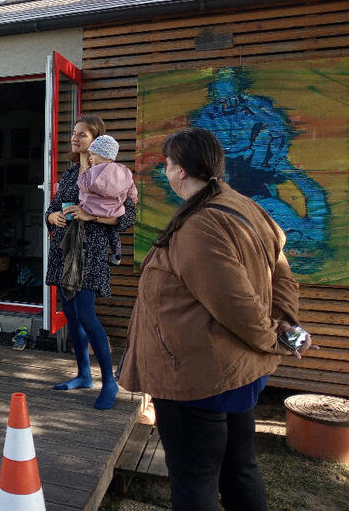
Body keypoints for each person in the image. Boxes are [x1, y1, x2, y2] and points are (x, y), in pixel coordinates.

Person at [117, 127, 315, 511]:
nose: (165, 172)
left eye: (167, 165)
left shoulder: (201, 226)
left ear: (182, 171)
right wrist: (285, 325)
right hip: (232, 370)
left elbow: (235, 304)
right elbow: (281, 273)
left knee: (195, 482)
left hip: (198, 378)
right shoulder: (240, 204)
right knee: (238, 467)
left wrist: (274, 336)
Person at [44, 116, 136, 410]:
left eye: (81, 134)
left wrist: (91, 216)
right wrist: (52, 217)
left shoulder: (114, 174)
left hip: (90, 253)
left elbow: (128, 218)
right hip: (64, 250)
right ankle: (84, 374)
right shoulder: (71, 173)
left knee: (86, 315)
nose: (74, 138)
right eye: (74, 133)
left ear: (96, 141)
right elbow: (51, 207)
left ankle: (109, 382)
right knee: (71, 315)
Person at [77, 134, 138, 265]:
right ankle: (117, 254)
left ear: (105, 155)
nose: (90, 158)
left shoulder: (93, 171)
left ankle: (84, 245)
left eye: (93, 154)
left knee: (82, 223)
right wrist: (133, 199)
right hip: (114, 210)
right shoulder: (124, 171)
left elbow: (83, 184)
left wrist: (83, 173)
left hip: (92, 209)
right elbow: (131, 189)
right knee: (113, 231)